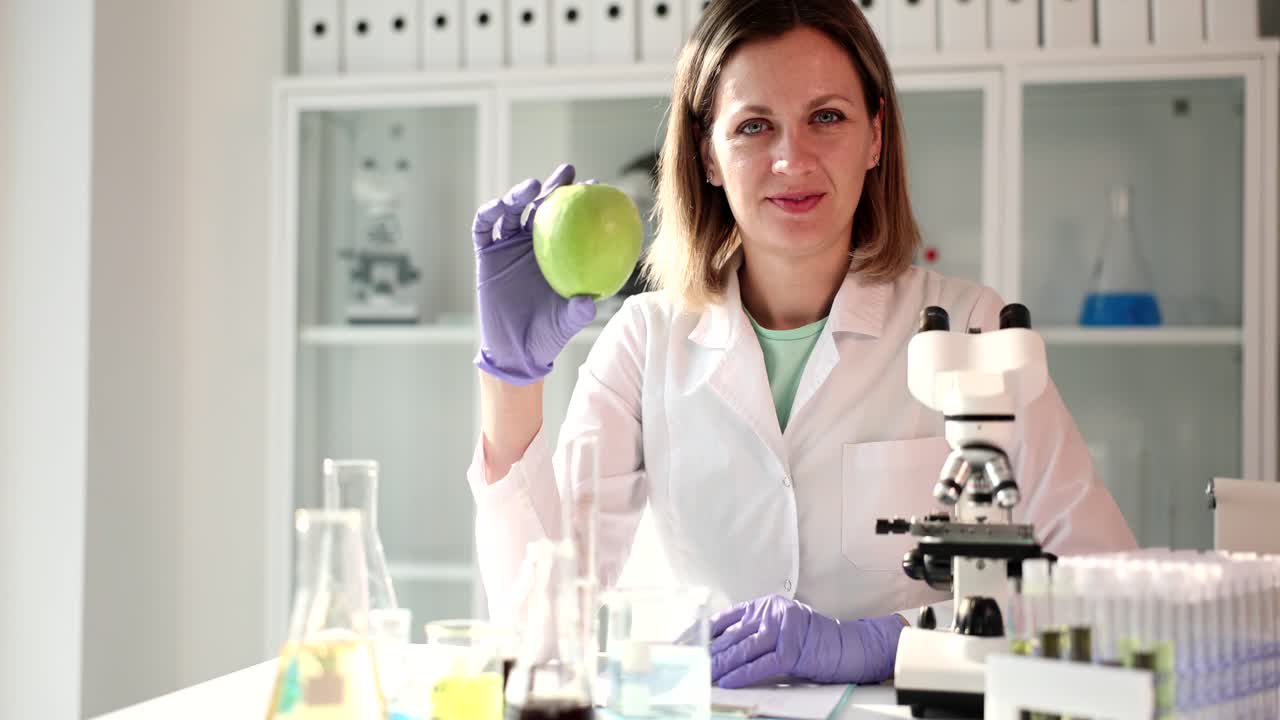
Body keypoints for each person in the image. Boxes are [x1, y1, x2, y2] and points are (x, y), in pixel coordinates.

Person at [466, 0, 1136, 690]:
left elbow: (1103, 587)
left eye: (827, 117)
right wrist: (511, 378)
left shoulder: (971, 328)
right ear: (709, 155)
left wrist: (894, 642)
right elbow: (540, 623)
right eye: (755, 126)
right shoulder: (643, 343)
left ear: (876, 135)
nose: (792, 159)